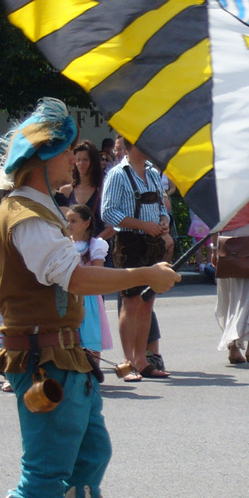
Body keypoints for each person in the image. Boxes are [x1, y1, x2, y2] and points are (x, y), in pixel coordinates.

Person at [0, 97, 179, 498]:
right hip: (43, 358)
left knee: (92, 454)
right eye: (66, 151)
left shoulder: (40, 206)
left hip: (65, 356)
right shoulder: (25, 213)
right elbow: (71, 278)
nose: (74, 160)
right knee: (45, 474)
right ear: (44, 156)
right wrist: (146, 272)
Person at [101, 138, 172, 381]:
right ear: (132, 147)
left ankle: (142, 360)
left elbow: (163, 207)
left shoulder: (152, 173)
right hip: (130, 243)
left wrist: (164, 222)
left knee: (147, 303)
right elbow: (108, 211)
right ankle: (128, 361)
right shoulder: (117, 175)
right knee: (130, 303)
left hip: (152, 244)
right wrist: (142, 224)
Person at [213, 195, 249, 367]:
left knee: (230, 294)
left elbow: (213, 221)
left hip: (225, 240)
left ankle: (233, 347)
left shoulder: (220, 187)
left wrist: (214, 249)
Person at [66, 205, 113, 359]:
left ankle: (93, 372)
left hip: (89, 296)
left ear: (86, 223)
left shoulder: (95, 245)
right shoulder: (64, 244)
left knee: (90, 334)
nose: (69, 225)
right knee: (70, 336)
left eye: (73, 221)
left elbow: (97, 273)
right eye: (67, 221)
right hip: (69, 295)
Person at [59, 140, 113, 242]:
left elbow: (113, 226)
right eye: (78, 160)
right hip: (74, 249)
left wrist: (94, 244)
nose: (80, 164)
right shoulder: (66, 190)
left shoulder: (104, 190)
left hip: (99, 250)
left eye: (85, 160)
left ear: (93, 162)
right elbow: (61, 224)